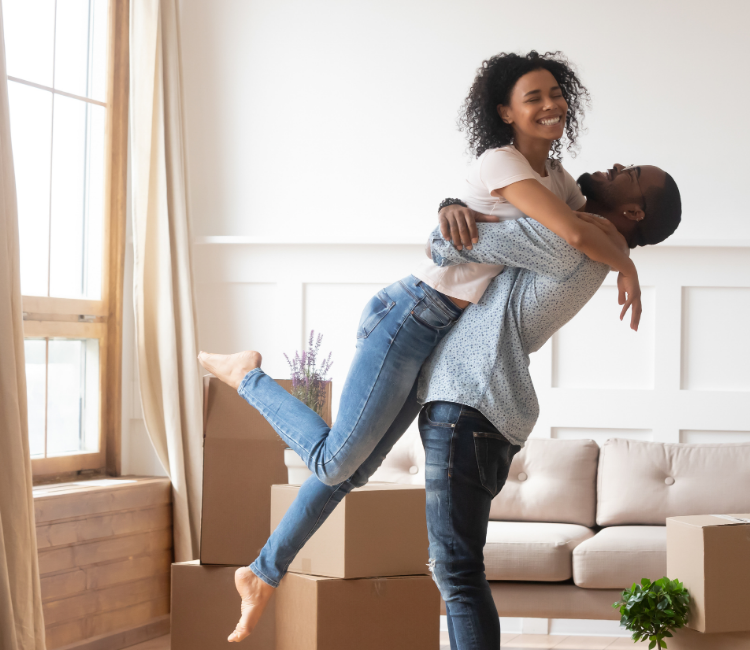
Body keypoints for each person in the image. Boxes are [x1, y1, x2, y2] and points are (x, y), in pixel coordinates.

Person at [196, 50, 655, 643]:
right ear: (505, 113)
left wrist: (613, 254)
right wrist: (622, 262)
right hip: (413, 314)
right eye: (533, 97)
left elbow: (569, 228)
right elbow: (504, 240)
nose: (550, 105)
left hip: (442, 342)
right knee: (337, 462)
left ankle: (262, 573)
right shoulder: (502, 162)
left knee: (348, 473)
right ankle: (247, 376)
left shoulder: (560, 182)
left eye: (554, 94)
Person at [420, 164, 681, 650]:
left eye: (633, 173)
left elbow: (447, 245)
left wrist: (449, 212)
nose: (617, 166)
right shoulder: (589, 240)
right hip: (481, 407)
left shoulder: (569, 238)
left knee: (456, 571)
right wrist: (449, 208)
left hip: (470, 401)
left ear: (632, 210)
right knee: (458, 569)